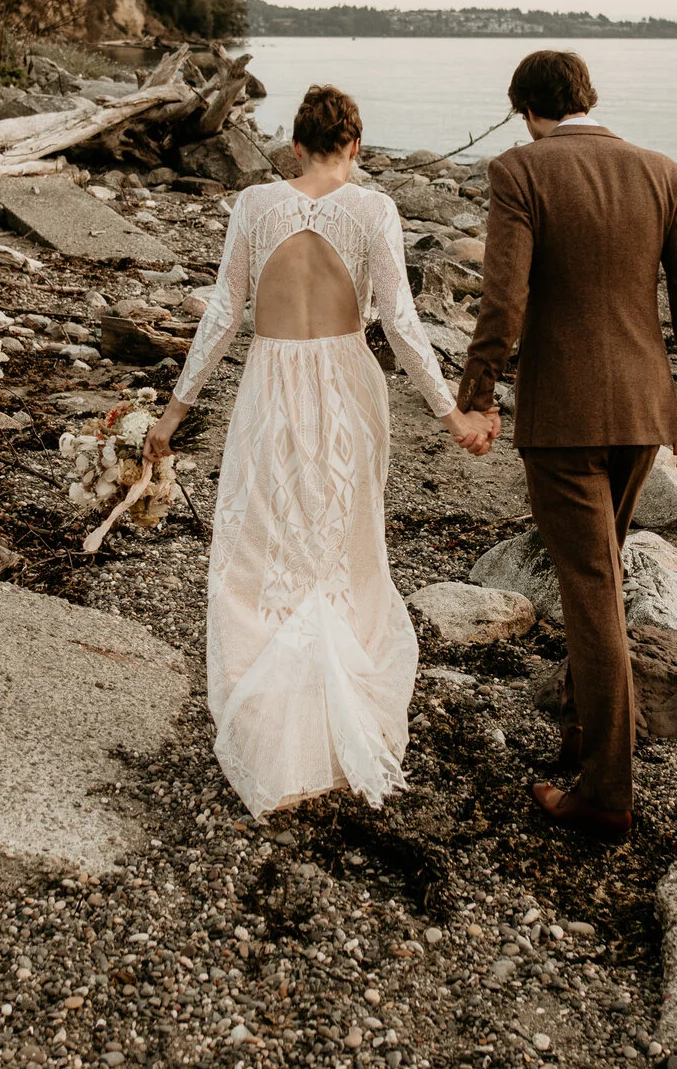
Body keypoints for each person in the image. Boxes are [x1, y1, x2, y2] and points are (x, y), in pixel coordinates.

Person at [146, 84, 496, 818]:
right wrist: (452, 412)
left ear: (295, 146)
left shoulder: (254, 205)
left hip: (271, 380)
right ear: (357, 148)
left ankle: (271, 716)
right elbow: (399, 323)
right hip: (346, 386)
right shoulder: (373, 209)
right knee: (341, 546)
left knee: (264, 545)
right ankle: (336, 725)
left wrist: (173, 413)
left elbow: (221, 317)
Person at [455, 49, 677, 839]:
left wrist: (476, 393)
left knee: (593, 591)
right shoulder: (662, 170)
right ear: (587, 98)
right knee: (600, 571)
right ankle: (582, 733)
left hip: (564, 417)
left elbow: (505, 298)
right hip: (644, 414)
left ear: (525, 107)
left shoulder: (521, 170)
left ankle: (606, 791)